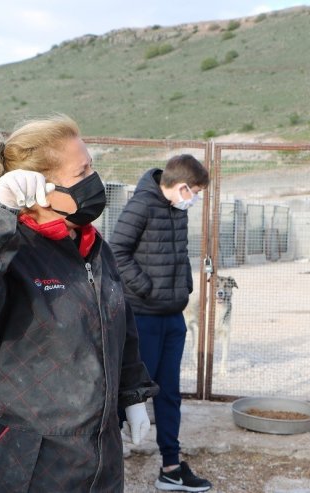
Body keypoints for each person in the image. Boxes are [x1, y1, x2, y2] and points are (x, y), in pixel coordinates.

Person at [0, 114, 158, 493]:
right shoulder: (3, 251)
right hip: (29, 468)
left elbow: (119, 324)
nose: (93, 181)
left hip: (98, 461)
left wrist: (132, 395)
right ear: (41, 187)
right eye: (82, 172)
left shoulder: (92, 247)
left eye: (91, 168)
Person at [109, 155, 212, 492]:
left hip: (172, 318)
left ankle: (171, 467)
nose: (194, 199)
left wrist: (184, 287)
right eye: (193, 192)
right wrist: (148, 290)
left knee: (169, 394)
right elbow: (116, 251)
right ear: (180, 186)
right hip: (143, 319)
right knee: (131, 394)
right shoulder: (142, 205)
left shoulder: (176, 210)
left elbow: (179, 254)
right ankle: (104, 469)